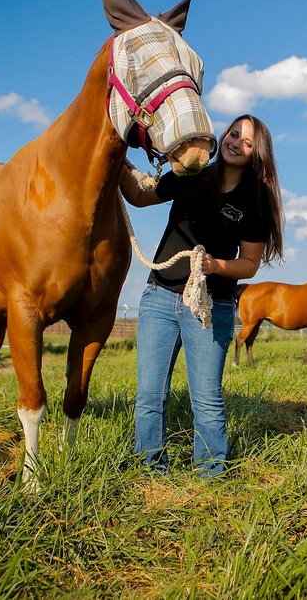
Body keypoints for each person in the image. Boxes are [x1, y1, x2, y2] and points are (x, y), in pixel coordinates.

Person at [120, 114, 284, 477]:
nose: (236, 142)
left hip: (211, 306)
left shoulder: (254, 198)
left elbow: (250, 263)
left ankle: (211, 473)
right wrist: (116, 154)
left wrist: (214, 266)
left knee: (206, 399)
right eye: (234, 133)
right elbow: (139, 196)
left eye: (247, 141)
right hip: (159, 297)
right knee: (149, 396)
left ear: (257, 153)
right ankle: (150, 470)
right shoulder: (190, 173)